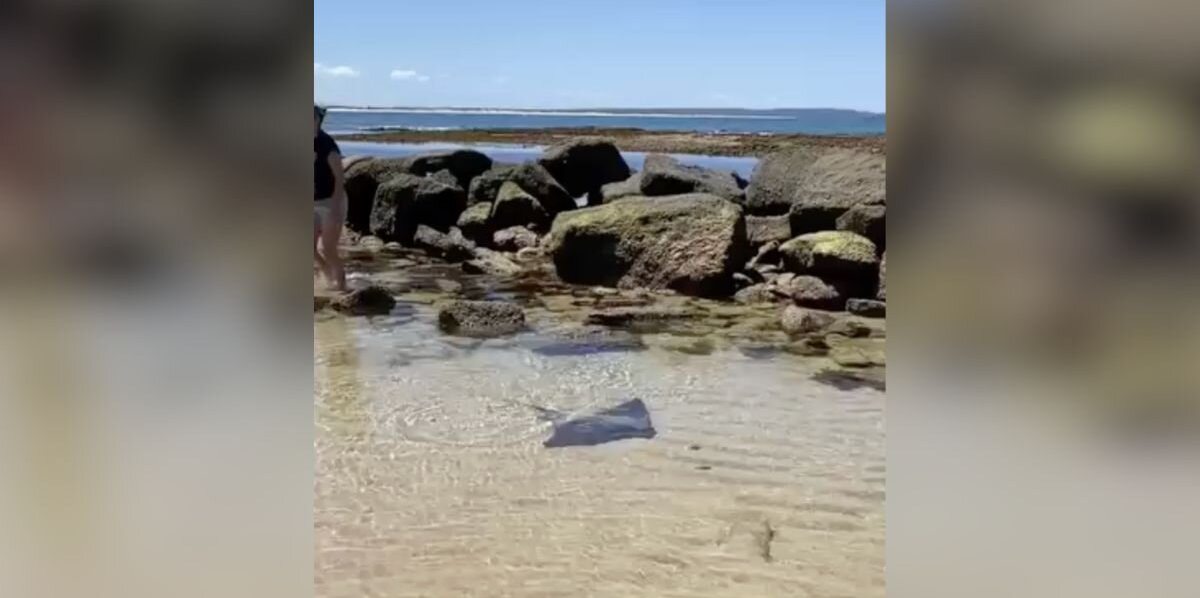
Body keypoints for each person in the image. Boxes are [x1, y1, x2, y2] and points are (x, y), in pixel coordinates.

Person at [314, 105, 347, 291]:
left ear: (317, 120)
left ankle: (343, 288)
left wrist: (335, 209)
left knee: (328, 248)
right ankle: (328, 274)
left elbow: (340, 178)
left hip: (331, 201)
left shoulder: (327, 146)